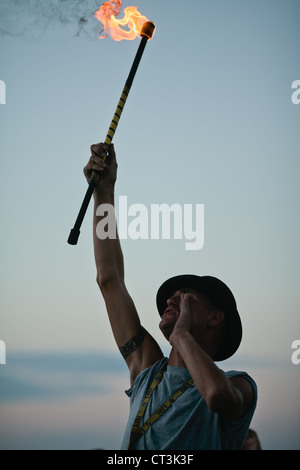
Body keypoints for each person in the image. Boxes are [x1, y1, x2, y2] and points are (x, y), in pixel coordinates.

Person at [84, 142, 258, 450]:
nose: (170, 300)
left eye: (185, 295)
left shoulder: (239, 383)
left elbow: (217, 397)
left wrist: (180, 335)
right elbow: (110, 279)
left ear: (216, 317)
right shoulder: (146, 370)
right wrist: (104, 192)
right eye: (171, 297)